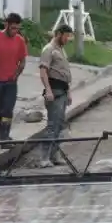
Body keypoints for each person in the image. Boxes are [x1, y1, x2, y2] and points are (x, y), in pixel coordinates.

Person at [0, 12, 29, 144]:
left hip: (11, 82)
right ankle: (3, 134)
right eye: (13, 28)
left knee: (8, 110)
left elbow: (23, 61)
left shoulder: (19, 40)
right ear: (6, 25)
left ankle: (4, 137)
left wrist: (15, 75)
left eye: (17, 29)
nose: (15, 31)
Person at [37, 24, 74, 169]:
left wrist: (69, 92)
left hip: (63, 90)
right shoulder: (49, 50)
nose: (68, 39)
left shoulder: (61, 51)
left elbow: (65, 73)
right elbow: (43, 71)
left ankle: (54, 154)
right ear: (59, 34)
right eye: (66, 35)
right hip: (55, 91)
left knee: (60, 125)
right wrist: (48, 90)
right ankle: (44, 157)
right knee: (52, 125)